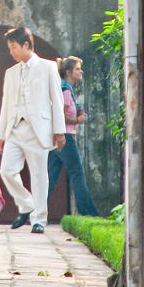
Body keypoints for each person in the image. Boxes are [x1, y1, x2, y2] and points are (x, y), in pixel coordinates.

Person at [0, 26, 65, 234]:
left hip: (39, 129)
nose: (12, 52)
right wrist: (0, 135)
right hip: (15, 129)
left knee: (38, 175)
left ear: (26, 45)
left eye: (14, 47)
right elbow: (6, 106)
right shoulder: (11, 73)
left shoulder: (48, 67)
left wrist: (59, 131)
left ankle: (39, 220)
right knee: (6, 170)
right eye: (9, 48)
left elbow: (57, 100)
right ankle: (26, 204)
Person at [47, 56, 99, 216]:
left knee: (50, 177)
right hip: (66, 138)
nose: (81, 71)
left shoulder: (63, 88)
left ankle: (34, 211)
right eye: (78, 69)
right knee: (77, 174)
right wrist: (77, 119)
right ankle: (88, 213)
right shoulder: (66, 90)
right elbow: (60, 116)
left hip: (58, 137)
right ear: (69, 72)